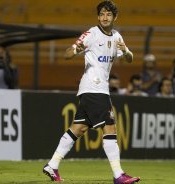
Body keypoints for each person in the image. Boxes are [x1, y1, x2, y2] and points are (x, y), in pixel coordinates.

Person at [43, 1, 140, 184]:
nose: (105, 17)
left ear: (114, 17)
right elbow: (67, 53)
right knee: (109, 128)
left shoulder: (117, 37)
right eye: (102, 14)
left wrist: (126, 52)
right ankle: (118, 174)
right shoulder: (91, 34)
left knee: (78, 128)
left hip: (94, 90)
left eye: (108, 14)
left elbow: (130, 58)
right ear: (98, 16)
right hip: (94, 88)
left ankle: (52, 164)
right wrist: (74, 50)